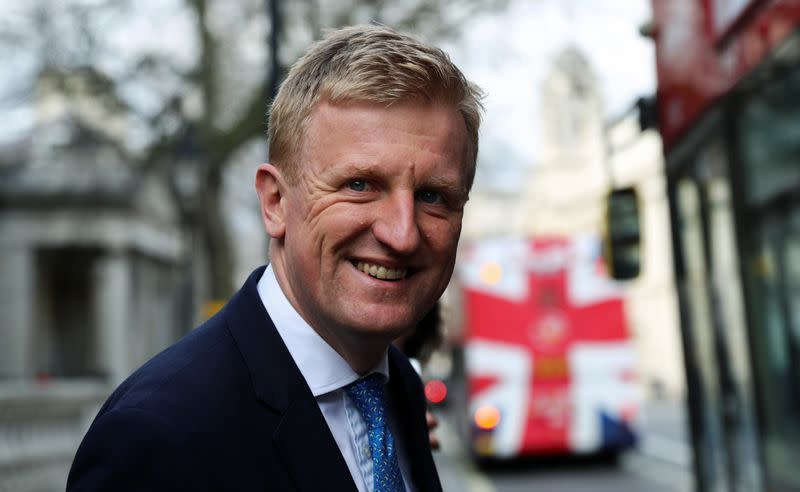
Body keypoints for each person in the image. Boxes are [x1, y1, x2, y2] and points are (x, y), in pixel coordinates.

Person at [67, 24, 482, 492]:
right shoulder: (156, 439)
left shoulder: (396, 385)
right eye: (360, 185)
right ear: (275, 203)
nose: (402, 234)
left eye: (433, 196)